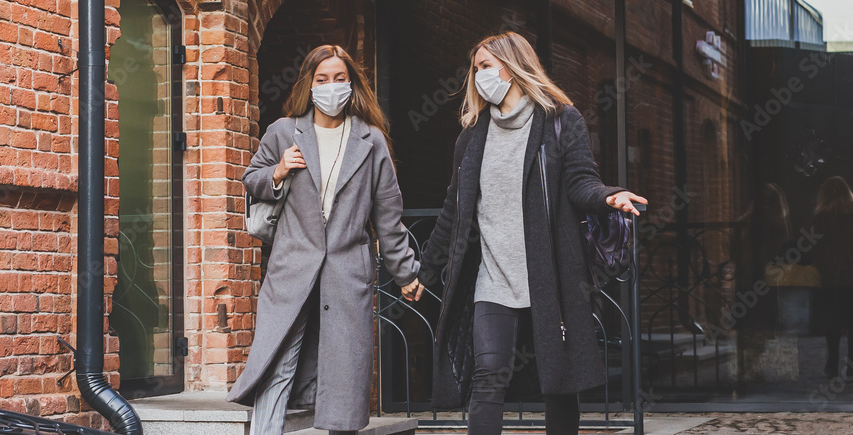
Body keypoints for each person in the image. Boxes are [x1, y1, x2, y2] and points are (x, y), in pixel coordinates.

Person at [409, 32, 646, 435]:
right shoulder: (471, 138)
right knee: (487, 375)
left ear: (512, 66)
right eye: (476, 68)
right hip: (493, 279)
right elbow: (454, 211)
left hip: (548, 275)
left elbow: (580, 183)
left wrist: (608, 197)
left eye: (485, 66)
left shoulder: (559, 122)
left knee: (558, 383)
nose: (478, 75)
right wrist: (424, 272)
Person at [227, 45, 424, 435]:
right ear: (309, 84)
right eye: (322, 79)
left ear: (351, 85)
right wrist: (279, 171)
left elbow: (388, 215)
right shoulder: (284, 132)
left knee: (344, 377)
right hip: (292, 267)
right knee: (278, 364)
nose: (330, 87)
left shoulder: (372, 141)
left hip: (347, 273)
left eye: (339, 79)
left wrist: (406, 273)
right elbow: (251, 179)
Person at [808, 176, 853, 378]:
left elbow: (813, 249)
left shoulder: (820, 218)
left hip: (829, 278)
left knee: (832, 323)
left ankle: (832, 364)